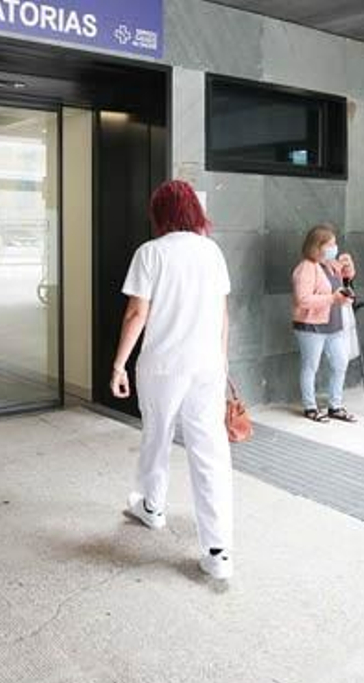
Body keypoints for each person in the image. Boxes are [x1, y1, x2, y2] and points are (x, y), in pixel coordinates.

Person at [110, 180, 235, 581]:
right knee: (209, 450)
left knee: (157, 437)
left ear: (160, 213)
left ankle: (151, 505)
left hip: (163, 366)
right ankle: (218, 551)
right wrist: (223, 363)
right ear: (194, 213)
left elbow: (136, 315)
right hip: (207, 366)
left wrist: (118, 365)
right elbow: (222, 316)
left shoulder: (150, 253)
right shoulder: (212, 252)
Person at [290, 224, 359, 422]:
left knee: (340, 363)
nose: (334, 248)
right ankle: (310, 407)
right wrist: (332, 299)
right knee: (310, 366)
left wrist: (349, 271)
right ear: (317, 246)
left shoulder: (331, 265)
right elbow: (303, 300)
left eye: (335, 244)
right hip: (312, 325)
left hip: (334, 323)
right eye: (330, 244)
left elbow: (344, 282)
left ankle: (335, 406)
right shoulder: (306, 268)